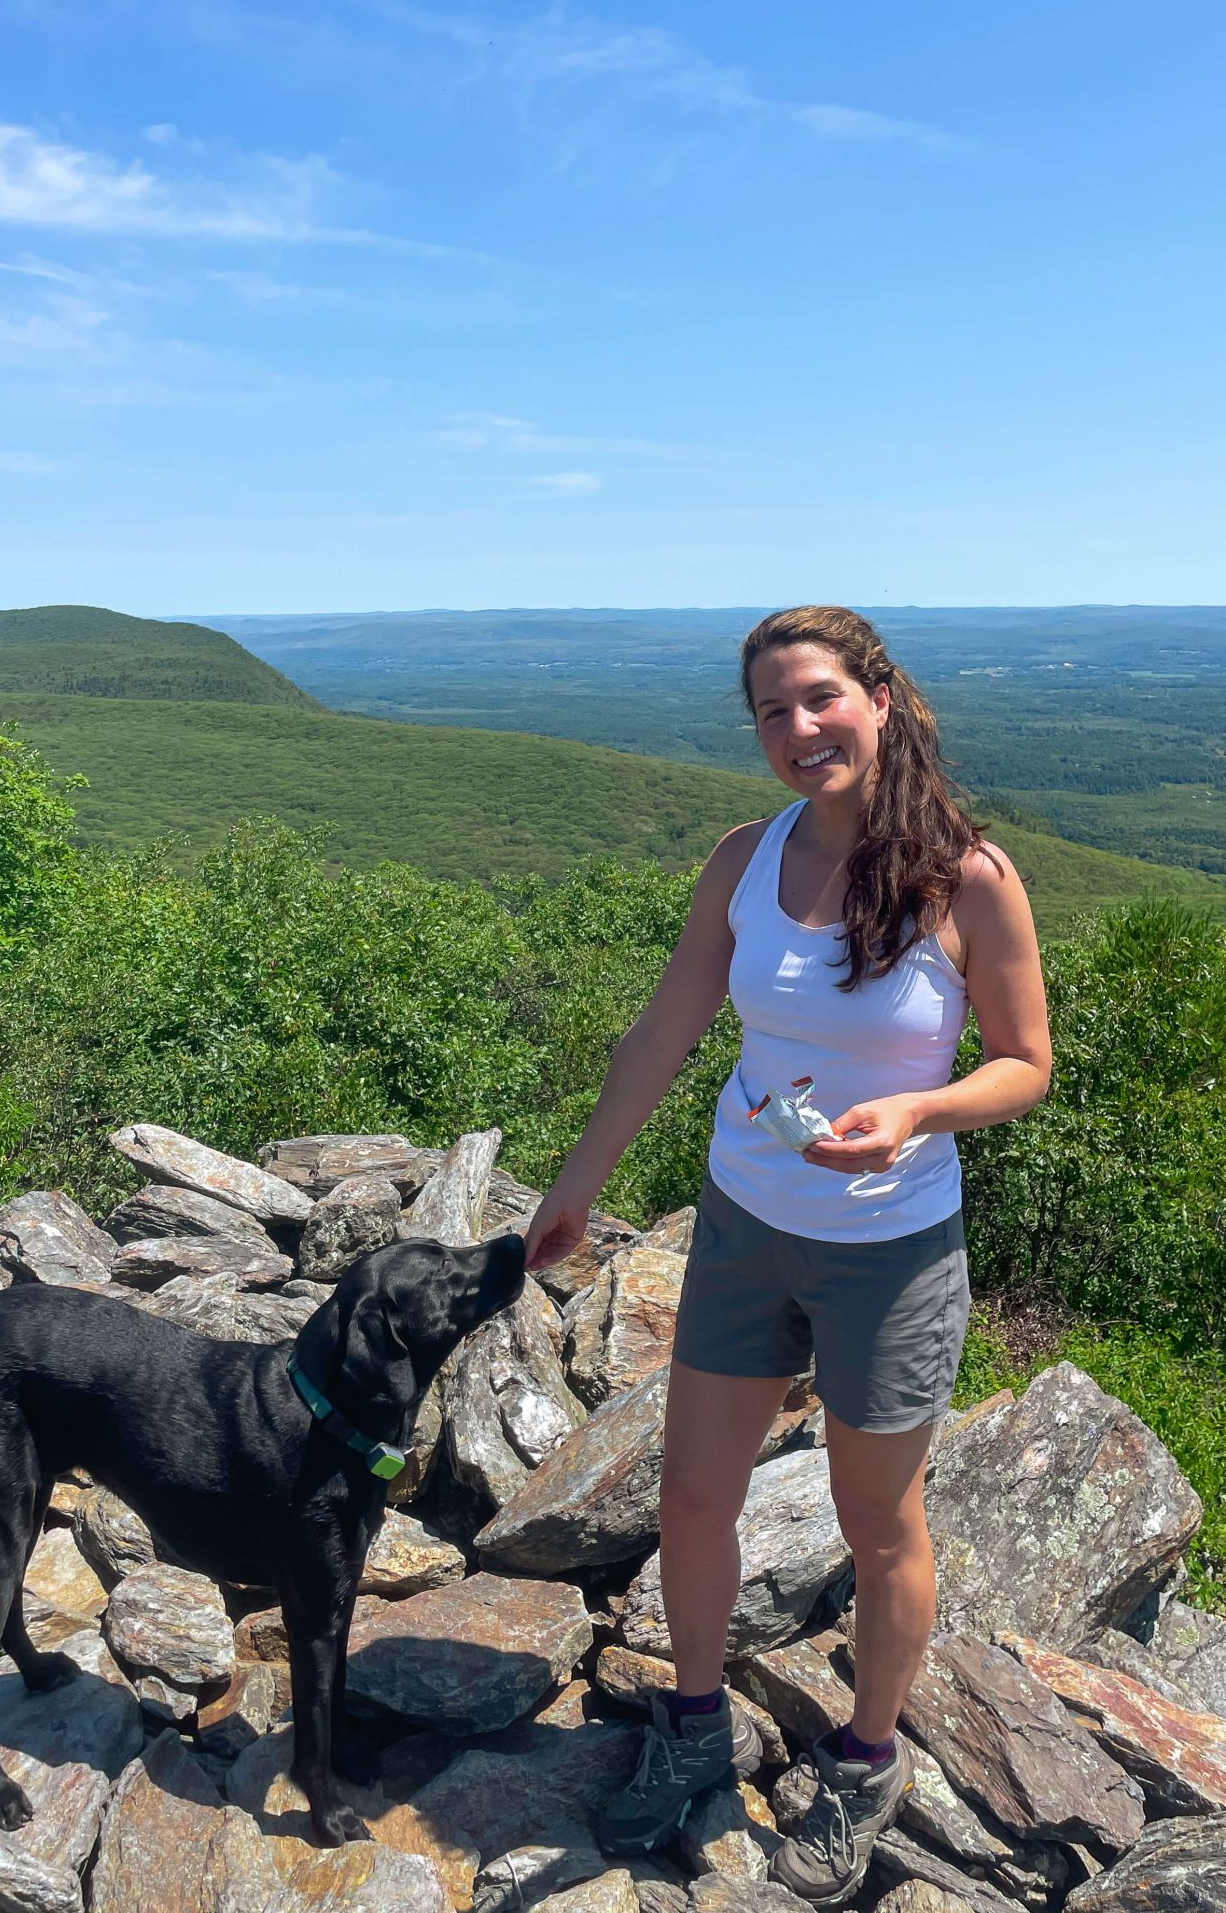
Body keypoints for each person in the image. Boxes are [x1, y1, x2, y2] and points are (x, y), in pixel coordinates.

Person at [522, 605, 1051, 1906]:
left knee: (878, 1526)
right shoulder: (743, 860)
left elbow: (1025, 1065)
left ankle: (866, 1760)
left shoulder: (967, 878)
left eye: (818, 697)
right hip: (749, 1226)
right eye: (770, 709)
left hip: (891, 1249)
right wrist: (576, 1188)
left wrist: (919, 1111)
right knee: (694, 1500)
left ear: (879, 698)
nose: (797, 728)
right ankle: (696, 1732)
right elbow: (662, 1032)